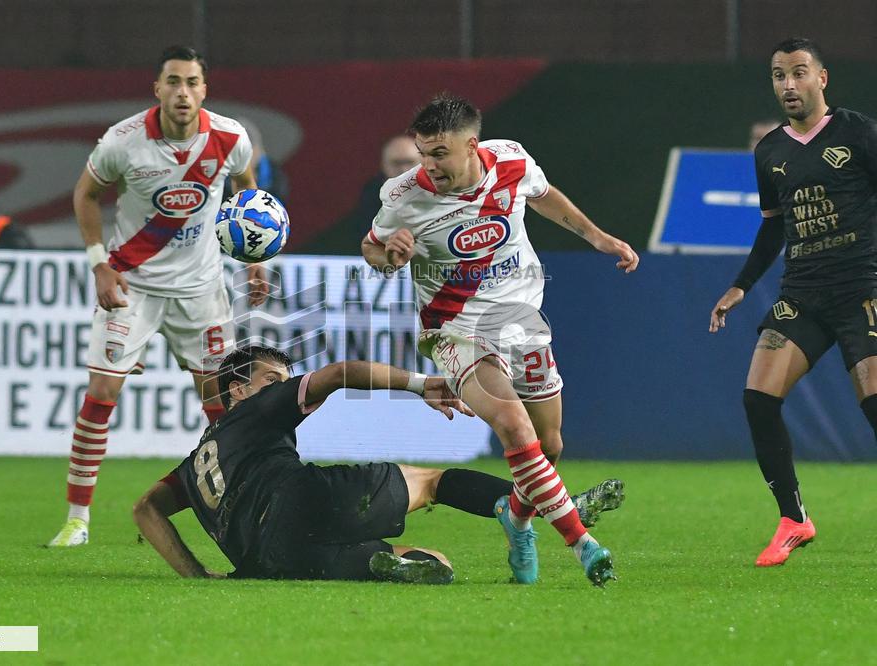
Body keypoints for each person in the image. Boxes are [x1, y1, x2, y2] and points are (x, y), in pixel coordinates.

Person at [360, 94, 638, 585]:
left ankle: (517, 517)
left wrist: (596, 236)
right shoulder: (403, 195)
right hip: (454, 331)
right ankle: (582, 543)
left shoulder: (510, 159)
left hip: (521, 322)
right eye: (423, 153)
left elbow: (543, 192)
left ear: (472, 146)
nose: (429, 165)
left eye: (439, 153)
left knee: (548, 445)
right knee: (513, 425)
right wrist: (389, 255)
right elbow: (373, 246)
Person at [134, 346, 612, 585]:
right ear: (237, 388)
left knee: (436, 562)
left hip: (265, 559)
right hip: (301, 501)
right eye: (272, 377)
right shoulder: (257, 408)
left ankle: (390, 565)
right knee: (432, 480)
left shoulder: (194, 464)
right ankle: (542, 507)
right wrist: (422, 384)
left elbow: (145, 510)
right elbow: (341, 374)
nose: (283, 383)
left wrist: (198, 578)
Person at [48, 45, 269, 547]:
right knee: (101, 396)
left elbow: (247, 191)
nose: (182, 92)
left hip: (201, 290)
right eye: (173, 81)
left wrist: (256, 258)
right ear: (158, 88)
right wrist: (99, 264)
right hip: (133, 286)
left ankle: (232, 512)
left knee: (222, 409)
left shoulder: (231, 137)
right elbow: (85, 193)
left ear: (204, 90)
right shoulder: (122, 141)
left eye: (192, 82)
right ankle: (77, 520)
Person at [709, 38, 877, 567]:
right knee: (758, 398)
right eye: (779, 75)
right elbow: (772, 229)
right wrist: (740, 284)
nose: (788, 85)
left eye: (798, 73)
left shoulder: (858, 133)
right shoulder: (770, 152)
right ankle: (794, 518)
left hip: (863, 288)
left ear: (821, 79)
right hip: (803, 293)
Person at [324, 135, 420, 255]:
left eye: (409, 162)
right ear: (384, 166)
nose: (403, 170)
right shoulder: (369, 201)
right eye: (396, 164)